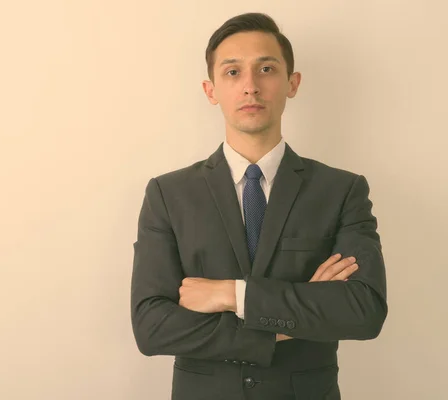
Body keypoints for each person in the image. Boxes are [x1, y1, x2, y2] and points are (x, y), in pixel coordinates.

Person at [130, 12, 387, 400]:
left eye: (266, 69)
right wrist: (293, 316)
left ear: (292, 83)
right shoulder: (168, 194)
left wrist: (232, 295)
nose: (250, 86)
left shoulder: (342, 190)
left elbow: (364, 310)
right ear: (210, 89)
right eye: (232, 72)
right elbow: (151, 327)